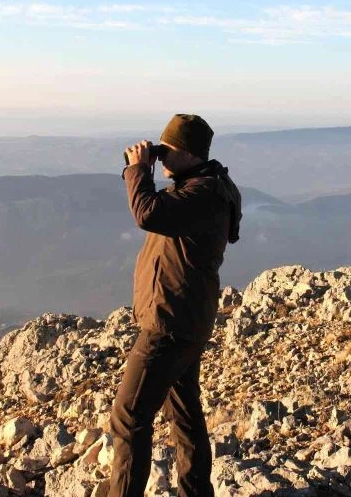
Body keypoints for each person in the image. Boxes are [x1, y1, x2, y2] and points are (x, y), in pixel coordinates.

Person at [110, 114, 242, 497]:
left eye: (167, 151)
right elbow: (157, 211)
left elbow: (146, 214)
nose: (161, 157)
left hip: (168, 323)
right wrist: (140, 172)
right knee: (184, 414)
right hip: (186, 318)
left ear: (187, 153)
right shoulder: (207, 185)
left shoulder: (203, 193)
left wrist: (139, 171)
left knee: (129, 418)